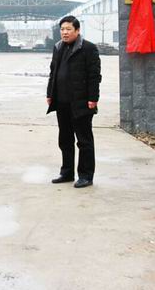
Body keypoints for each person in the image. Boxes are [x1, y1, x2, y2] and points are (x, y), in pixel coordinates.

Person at [46, 15, 101, 188]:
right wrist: (50, 94)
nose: (65, 32)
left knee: (84, 141)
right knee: (65, 139)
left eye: (68, 29)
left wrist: (93, 98)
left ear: (77, 30)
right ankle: (67, 172)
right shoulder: (58, 47)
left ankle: (86, 176)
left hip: (81, 102)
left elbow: (94, 76)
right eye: (62, 29)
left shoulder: (88, 48)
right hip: (62, 102)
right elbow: (53, 72)